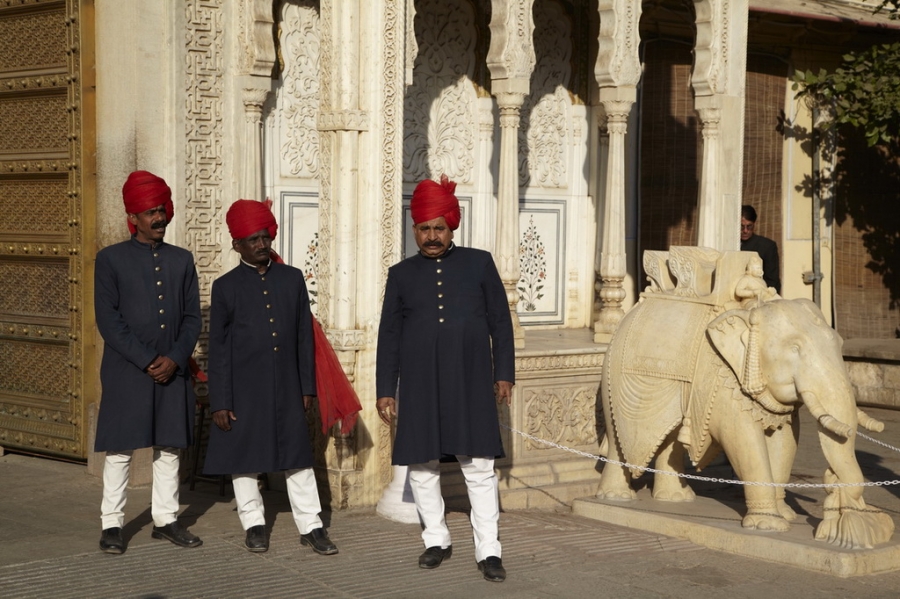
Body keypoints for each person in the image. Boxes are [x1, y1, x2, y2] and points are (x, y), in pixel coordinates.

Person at [375, 175, 515, 583]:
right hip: (419, 384)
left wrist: (503, 374)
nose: (432, 236)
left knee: (479, 466)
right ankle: (435, 540)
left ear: (452, 226)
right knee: (422, 465)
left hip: (470, 380)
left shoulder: (479, 262)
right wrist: (386, 389)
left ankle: (488, 550)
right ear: (413, 229)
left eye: (439, 227)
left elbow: (500, 324)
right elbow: (390, 335)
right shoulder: (400, 274)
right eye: (424, 228)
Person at [204, 199, 338, 556]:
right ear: (237, 246)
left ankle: (311, 526)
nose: (262, 245)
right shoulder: (226, 287)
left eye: (265, 237)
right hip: (244, 390)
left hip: (286, 387)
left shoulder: (291, 278)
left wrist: (307, 387)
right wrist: (221, 400)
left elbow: (303, 338)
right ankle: (254, 525)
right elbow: (217, 348)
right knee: (244, 459)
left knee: (297, 456)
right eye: (253, 240)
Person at [94, 170, 203, 554]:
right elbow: (108, 320)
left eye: (162, 210)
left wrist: (174, 359)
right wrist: (147, 360)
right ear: (134, 218)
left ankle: (166, 519)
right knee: (121, 450)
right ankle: (111, 525)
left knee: (169, 447)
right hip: (128, 370)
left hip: (172, 371)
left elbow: (193, 318)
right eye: (151, 212)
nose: (160, 218)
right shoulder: (109, 260)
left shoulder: (181, 260)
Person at [740, 205, 781, 294]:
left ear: (755, 224)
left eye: (749, 226)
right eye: (741, 227)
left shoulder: (767, 246)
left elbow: (772, 281)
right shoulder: (728, 244)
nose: (745, 231)